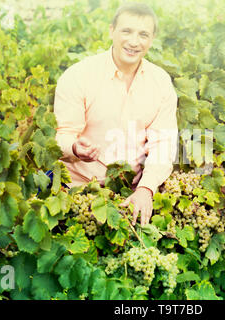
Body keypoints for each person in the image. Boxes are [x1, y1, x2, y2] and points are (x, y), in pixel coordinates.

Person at [53, 2, 178, 227]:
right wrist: (74, 148)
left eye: (143, 34)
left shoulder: (160, 83)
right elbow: (62, 135)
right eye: (126, 31)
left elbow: (164, 144)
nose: (133, 41)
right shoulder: (78, 76)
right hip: (78, 194)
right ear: (112, 31)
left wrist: (146, 188)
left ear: (151, 39)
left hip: (129, 196)